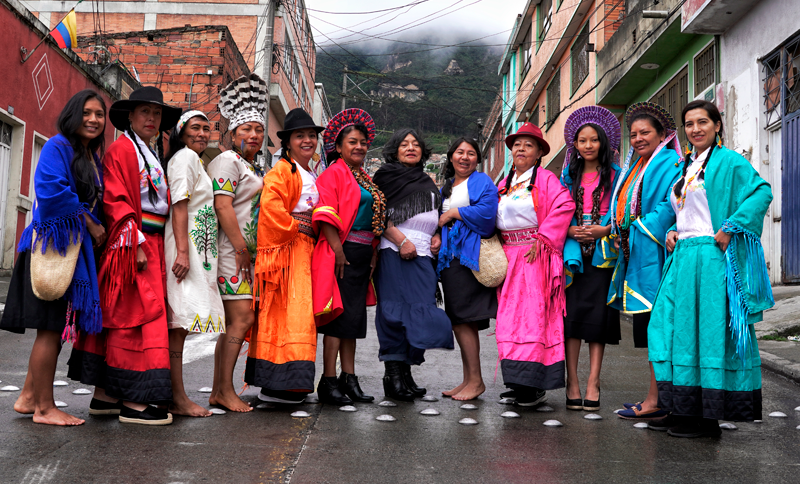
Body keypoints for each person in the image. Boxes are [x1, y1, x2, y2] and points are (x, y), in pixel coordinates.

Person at [647, 100, 773, 437]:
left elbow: (761, 192)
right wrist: (672, 231)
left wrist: (731, 226)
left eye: (703, 122)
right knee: (671, 328)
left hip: (712, 258)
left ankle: (706, 418)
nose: (695, 129)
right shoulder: (686, 167)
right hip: (683, 257)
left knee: (707, 333)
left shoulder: (729, 161)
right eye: (689, 124)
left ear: (717, 125)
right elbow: (683, 211)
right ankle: (681, 407)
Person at [67, 86, 181, 425]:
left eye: (156, 113)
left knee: (124, 314)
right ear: (130, 116)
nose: (151, 118)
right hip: (134, 243)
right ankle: (134, 399)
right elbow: (116, 200)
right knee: (138, 317)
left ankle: (106, 395)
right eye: (144, 111)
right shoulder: (122, 149)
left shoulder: (150, 151)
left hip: (151, 241)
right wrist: (135, 243)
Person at [1, 90, 107, 426]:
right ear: (73, 114)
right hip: (50, 249)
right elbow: (51, 192)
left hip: (70, 252)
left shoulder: (89, 154)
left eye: (99, 115)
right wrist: (89, 221)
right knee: (49, 330)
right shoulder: (57, 146)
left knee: (56, 326)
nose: (93, 119)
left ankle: (28, 397)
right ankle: (45, 409)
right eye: (87, 112)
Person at [245, 108, 324, 404]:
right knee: (288, 315)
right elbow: (271, 208)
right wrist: (299, 226)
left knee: (299, 316)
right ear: (287, 142)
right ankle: (279, 384)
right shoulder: (282, 171)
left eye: (311, 136)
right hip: (289, 251)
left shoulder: (308, 172)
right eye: (300, 136)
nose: (307, 141)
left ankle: (292, 382)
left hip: (305, 250)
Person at [610, 102, 682, 420]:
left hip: (658, 254)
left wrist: (637, 227)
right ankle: (656, 397)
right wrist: (618, 228)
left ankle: (658, 400)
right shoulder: (637, 165)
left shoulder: (672, 163)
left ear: (662, 134)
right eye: (634, 133)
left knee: (659, 329)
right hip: (638, 252)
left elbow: (671, 203)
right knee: (652, 330)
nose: (638, 138)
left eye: (645, 132)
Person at [495, 123, 575, 407]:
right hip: (508, 257)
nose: (520, 149)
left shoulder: (546, 179)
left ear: (539, 153)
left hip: (533, 255)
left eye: (528, 145)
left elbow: (565, 205)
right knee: (509, 322)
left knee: (533, 321)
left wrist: (542, 239)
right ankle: (517, 383)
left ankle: (534, 386)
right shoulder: (505, 183)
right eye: (517, 144)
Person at [372, 129, 454, 401]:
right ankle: (392, 376)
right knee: (394, 312)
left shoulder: (426, 180)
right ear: (394, 150)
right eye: (404, 144)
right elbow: (378, 215)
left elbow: (434, 216)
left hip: (423, 255)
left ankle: (406, 373)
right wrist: (401, 240)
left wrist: (437, 235)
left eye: (416, 144)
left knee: (418, 311)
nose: (410, 148)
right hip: (395, 251)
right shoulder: (385, 176)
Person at [312, 108, 386, 405]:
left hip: (362, 252)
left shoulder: (363, 176)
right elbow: (325, 213)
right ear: (339, 147)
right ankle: (328, 380)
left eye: (363, 142)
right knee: (337, 317)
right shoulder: (333, 173)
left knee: (353, 319)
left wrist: (372, 252)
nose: (359, 147)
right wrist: (338, 251)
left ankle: (349, 378)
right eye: (352, 142)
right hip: (341, 252)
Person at [206, 73, 267, 413]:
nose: (254, 135)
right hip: (233, 254)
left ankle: (220, 389)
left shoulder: (248, 165)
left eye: (258, 129)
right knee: (241, 321)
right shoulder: (227, 161)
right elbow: (222, 205)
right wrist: (242, 248)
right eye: (246, 130)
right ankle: (224, 391)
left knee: (237, 323)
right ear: (232, 134)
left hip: (245, 255)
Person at [560, 107, 622, 411]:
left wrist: (605, 229)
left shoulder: (617, 176)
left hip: (603, 254)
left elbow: (623, 211)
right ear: (575, 145)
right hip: (572, 255)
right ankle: (572, 381)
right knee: (571, 321)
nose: (587, 145)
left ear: (603, 143)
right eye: (582, 140)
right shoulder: (566, 176)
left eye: (593, 140)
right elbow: (557, 210)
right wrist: (569, 229)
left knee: (597, 321)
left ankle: (593, 382)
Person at [163, 110, 224, 417]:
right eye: (196, 128)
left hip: (197, 252)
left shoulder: (196, 161)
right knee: (178, 324)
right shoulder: (184, 158)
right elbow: (179, 204)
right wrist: (183, 252)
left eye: (207, 128)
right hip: (185, 250)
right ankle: (177, 396)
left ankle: (175, 394)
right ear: (180, 132)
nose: (202, 133)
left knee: (182, 326)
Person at [437, 137, 498, 401]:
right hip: (450, 259)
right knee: (459, 321)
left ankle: (476, 381)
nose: (465, 157)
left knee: (465, 320)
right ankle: (468, 379)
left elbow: (487, 215)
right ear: (451, 157)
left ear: (477, 159)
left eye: (471, 153)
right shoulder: (448, 187)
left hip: (467, 258)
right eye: (460, 152)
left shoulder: (482, 181)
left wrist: (452, 214)